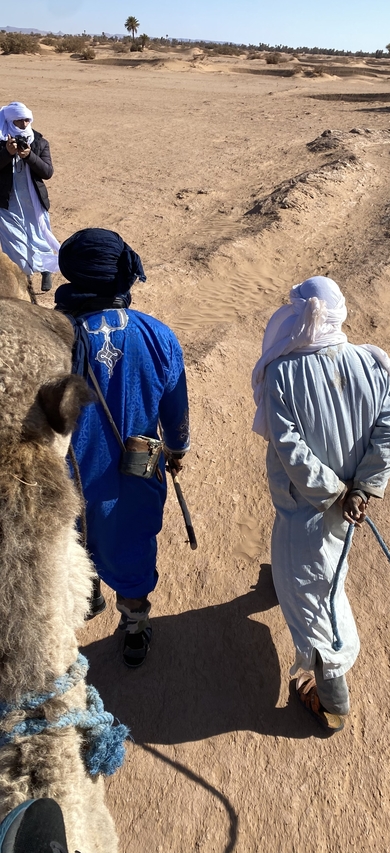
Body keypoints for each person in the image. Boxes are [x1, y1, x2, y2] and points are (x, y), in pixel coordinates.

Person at [252, 276, 390, 732]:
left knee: (313, 601)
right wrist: (361, 489)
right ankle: (279, 581)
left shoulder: (283, 372)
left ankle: (332, 699)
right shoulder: (371, 362)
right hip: (347, 504)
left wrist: (335, 492)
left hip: (307, 507)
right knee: (328, 564)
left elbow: (290, 447)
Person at [55, 228, 190, 668]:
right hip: (134, 475)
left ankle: (87, 593)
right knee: (131, 543)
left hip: (67, 480)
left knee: (74, 540)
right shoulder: (157, 335)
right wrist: (178, 448)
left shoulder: (54, 339)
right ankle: (134, 626)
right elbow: (175, 410)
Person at [0, 101, 59, 292]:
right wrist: (7, 153)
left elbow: (47, 172)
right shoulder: (1, 141)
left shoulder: (40, 142)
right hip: (7, 203)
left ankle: (45, 270)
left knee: (38, 237)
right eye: (19, 121)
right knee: (15, 244)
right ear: (10, 121)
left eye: (27, 120)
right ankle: (25, 277)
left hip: (33, 202)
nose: (24, 124)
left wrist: (29, 156)